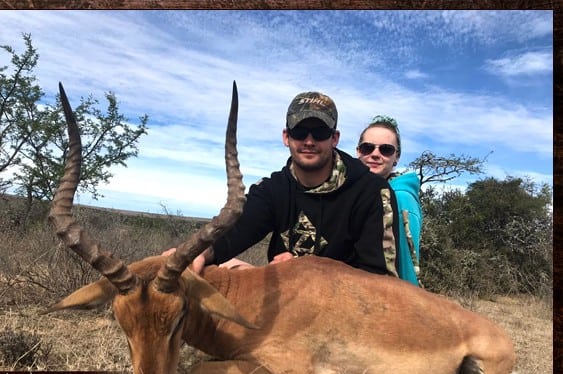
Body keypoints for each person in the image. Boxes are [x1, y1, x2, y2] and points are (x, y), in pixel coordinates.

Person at [168, 91, 400, 277]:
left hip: (345, 316)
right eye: (299, 131)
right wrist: (195, 253)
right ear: (286, 137)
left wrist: (305, 271)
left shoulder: (372, 193)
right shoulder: (272, 189)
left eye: (319, 132)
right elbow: (234, 231)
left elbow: (379, 278)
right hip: (286, 313)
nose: (309, 141)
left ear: (334, 138)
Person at [356, 115, 422, 285]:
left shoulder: (401, 197)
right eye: (367, 148)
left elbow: (407, 261)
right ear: (358, 151)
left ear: (396, 157)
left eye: (385, 149)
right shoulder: (360, 192)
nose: (375, 154)